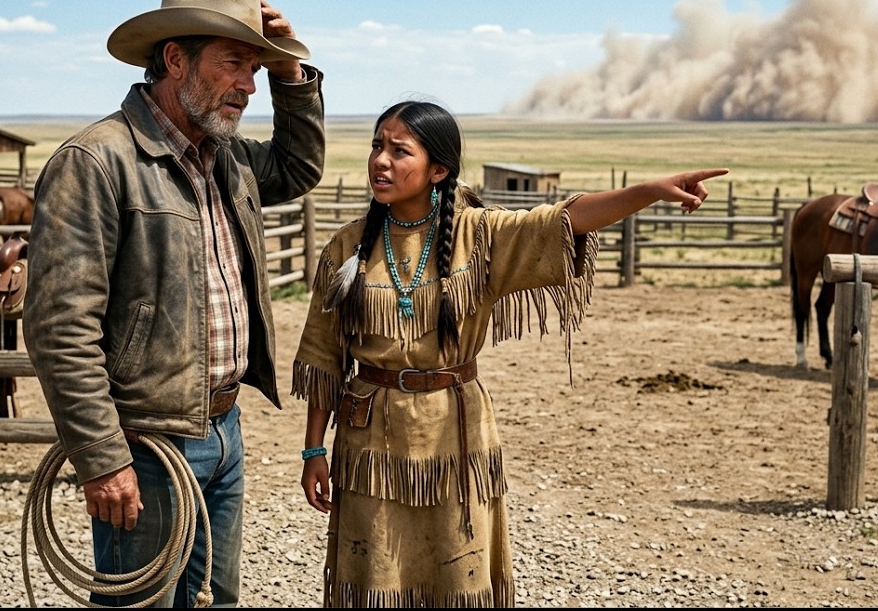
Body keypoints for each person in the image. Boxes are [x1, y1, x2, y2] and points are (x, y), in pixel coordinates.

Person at [291, 100, 727, 607]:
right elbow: (324, 356)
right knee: (375, 576)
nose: (380, 161)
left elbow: (562, 221)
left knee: (458, 571)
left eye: (399, 151)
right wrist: (314, 450)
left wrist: (648, 191)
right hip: (370, 440)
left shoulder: (478, 236)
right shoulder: (346, 247)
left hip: (456, 434)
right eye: (376, 146)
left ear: (439, 170)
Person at [23, 0, 325, 607]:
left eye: (254, 69)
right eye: (234, 63)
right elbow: (60, 328)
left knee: (217, 598)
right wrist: (102, 456)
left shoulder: (227, 156)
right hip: (146, 442)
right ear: (175, 60)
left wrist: (290, 68)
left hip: (224, 427)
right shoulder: (98, 161)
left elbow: (299, 167)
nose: (248, 85)